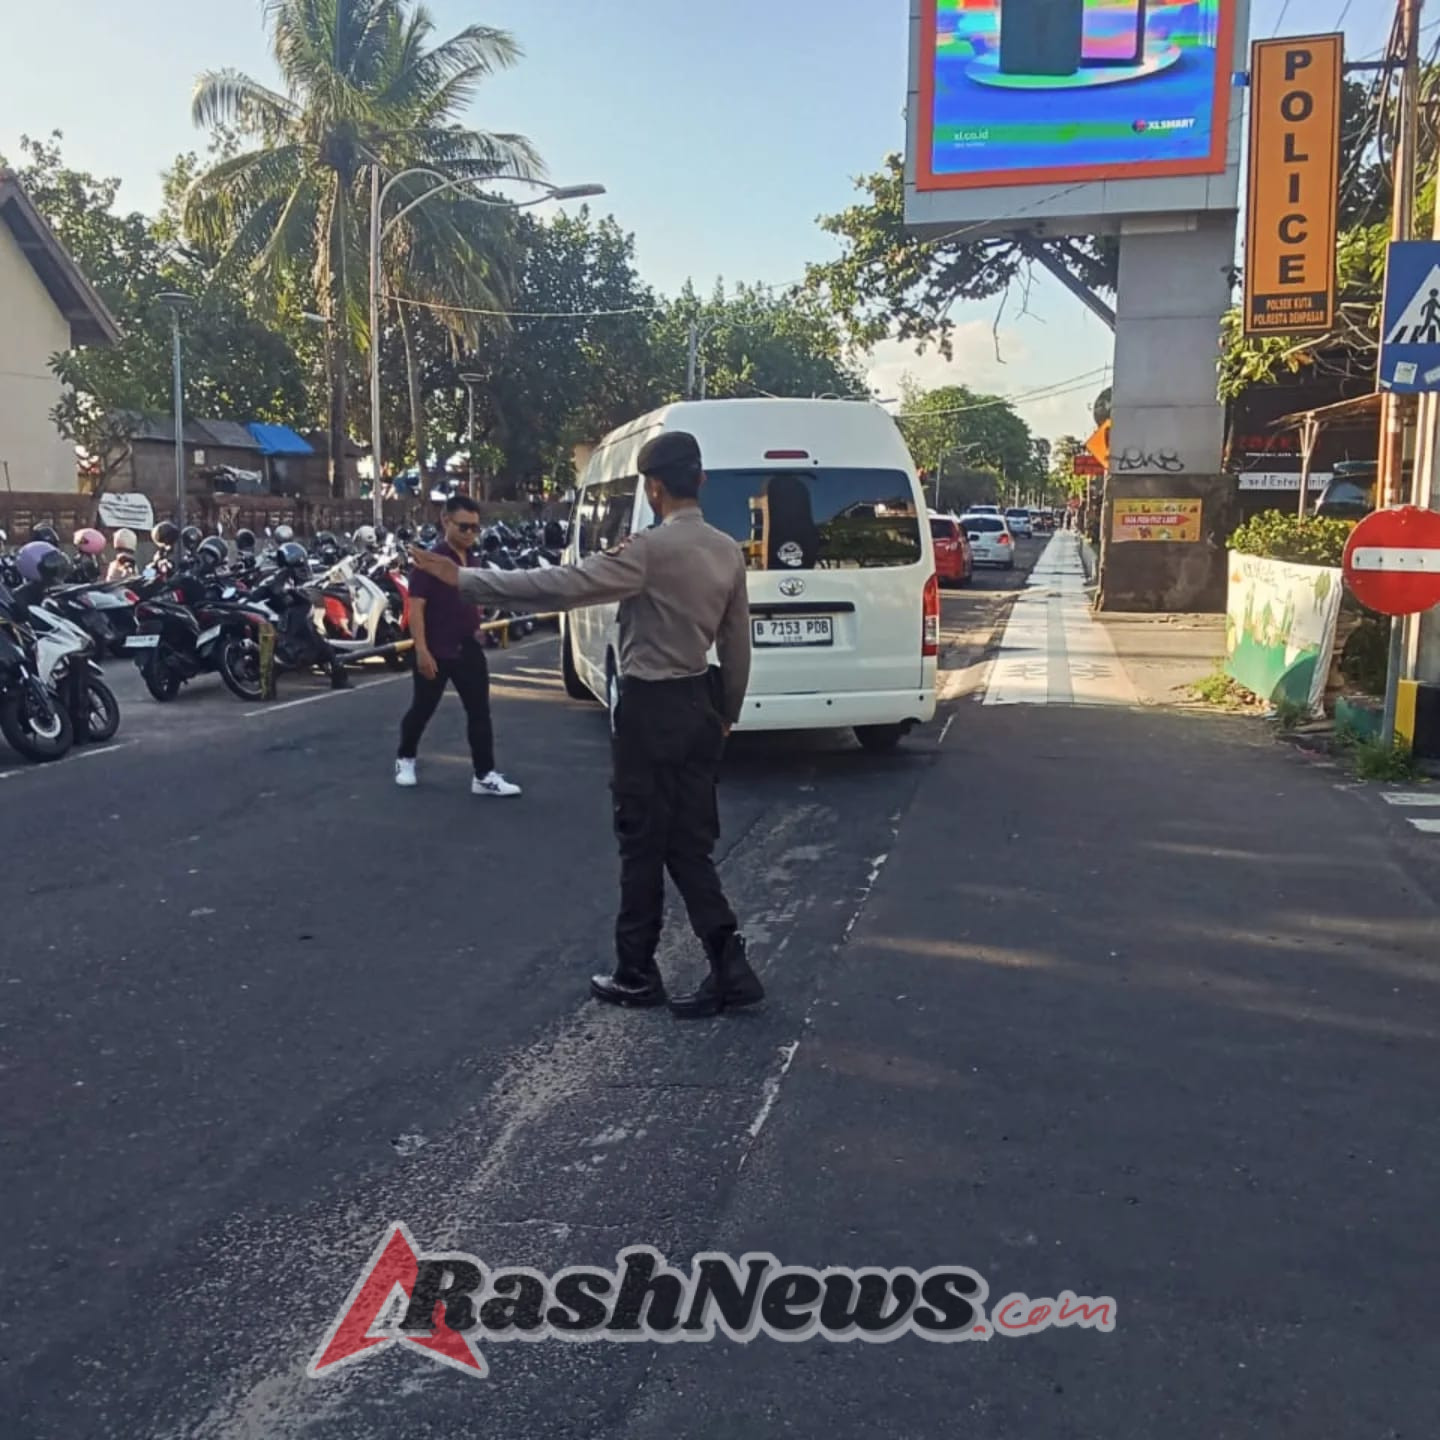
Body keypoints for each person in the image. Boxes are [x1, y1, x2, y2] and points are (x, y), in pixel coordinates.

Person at [409, 431, 763, 1019]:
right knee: (689, 845)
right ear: (699, 482)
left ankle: (636, 972)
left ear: (654, 488)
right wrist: (726, 713)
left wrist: (465, 580)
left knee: (641, 844)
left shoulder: (648, 551)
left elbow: (562, 585)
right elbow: (738, 645)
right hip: (700, 707)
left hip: (650, 711)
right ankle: (730, 963)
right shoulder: (727, 551)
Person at [396, 494, 521, 798]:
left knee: (479, 712)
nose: (470, 534)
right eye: (464, 527)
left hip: (467, 648)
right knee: (423, 708)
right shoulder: (430, 562)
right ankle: (405, 758)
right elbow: (416, 610)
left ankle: (484, 774)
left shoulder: (473, 561)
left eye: (475, 528)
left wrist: (477, 629)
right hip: (436, 648)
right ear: (445, 521)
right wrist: (422, 650)